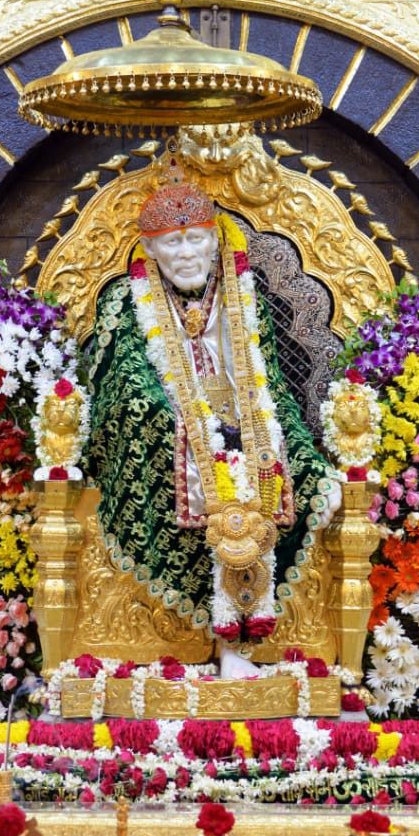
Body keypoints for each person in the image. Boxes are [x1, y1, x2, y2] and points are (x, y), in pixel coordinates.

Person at [85, 174, 340, 678]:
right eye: (172, 243)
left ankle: (252, 640)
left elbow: (272, 389)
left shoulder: (243, 298)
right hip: (171, 442)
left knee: (294, 475)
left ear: (215, 238)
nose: (186, 254)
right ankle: (201, 640)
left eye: (196, 239)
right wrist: (190, 433)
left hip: (248, 431)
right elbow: (126, 390)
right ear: (149, 249)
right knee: (201, 469)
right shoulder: (127, 302)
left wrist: (310, 461)